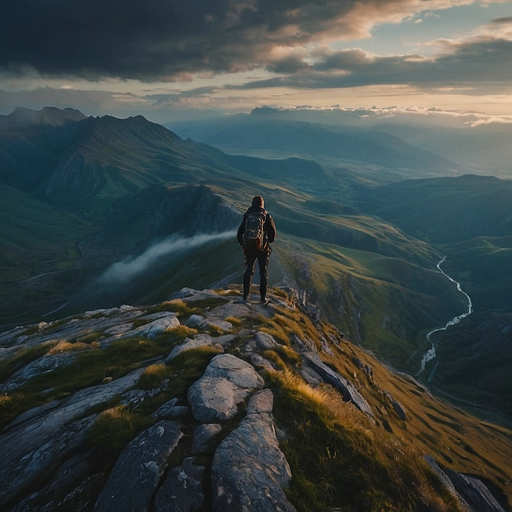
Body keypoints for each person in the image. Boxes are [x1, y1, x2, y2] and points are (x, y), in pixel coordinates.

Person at [237, 195, 276, 303]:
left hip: (249, 249)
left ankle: (245, 297)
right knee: (263, 272)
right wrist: (267, 241)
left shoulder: (247, 215)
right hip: (263, 249)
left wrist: (244, 246)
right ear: (262, 204)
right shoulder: (266, 216)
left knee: (248, 271)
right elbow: (272, 235)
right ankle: (263, 298)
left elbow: (239, 234)